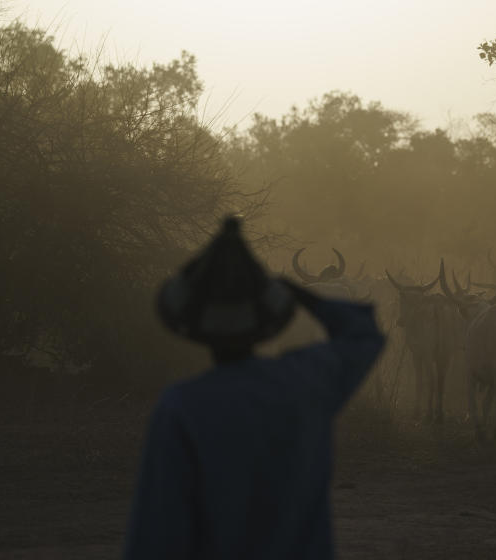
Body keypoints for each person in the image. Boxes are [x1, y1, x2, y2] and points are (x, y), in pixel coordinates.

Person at [123, 217, 386, 559]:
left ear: (193, 325)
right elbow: (363, 335)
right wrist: (297, 291)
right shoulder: (306, 382)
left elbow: (157, 535)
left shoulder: (181, 407)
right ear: (269, 317)